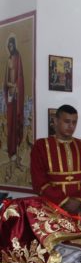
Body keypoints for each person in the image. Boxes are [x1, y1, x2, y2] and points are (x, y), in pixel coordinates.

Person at [30, 104, 81, 224]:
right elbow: (39, 181)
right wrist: (65, 202)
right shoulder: (41, 146)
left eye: (74, 122)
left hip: (80, 209)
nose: (71, 126)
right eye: (67, 121)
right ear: (56, 121)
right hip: (52, 208)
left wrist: (78, 201)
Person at [2, 35, 25, 169]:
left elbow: (20, 75)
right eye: (8, 46)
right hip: (10, 94)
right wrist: (10, 86)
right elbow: (6, 80)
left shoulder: (18, 57)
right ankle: (11, 152)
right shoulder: (9, 59)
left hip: (17, 95)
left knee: (16, 122)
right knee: (10, 122)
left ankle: (16, 152)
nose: (10, 47)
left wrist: (17, 86)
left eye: (11, 45)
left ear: (14, 45)